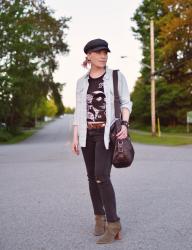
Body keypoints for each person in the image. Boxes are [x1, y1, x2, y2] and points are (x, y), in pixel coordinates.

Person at [71, 38, 132, 244]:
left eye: (105, 52)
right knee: (91, 177)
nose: (103, 55)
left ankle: (113, 224)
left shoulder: (115, 76)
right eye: (98, 52)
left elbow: (125, 102)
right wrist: (75, 135)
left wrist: (124, 125)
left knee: (101, 176)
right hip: (87, 135)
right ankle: (99, 217)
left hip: (107, 134)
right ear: (88, 56)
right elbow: (79, 110)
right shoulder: (81, 82)